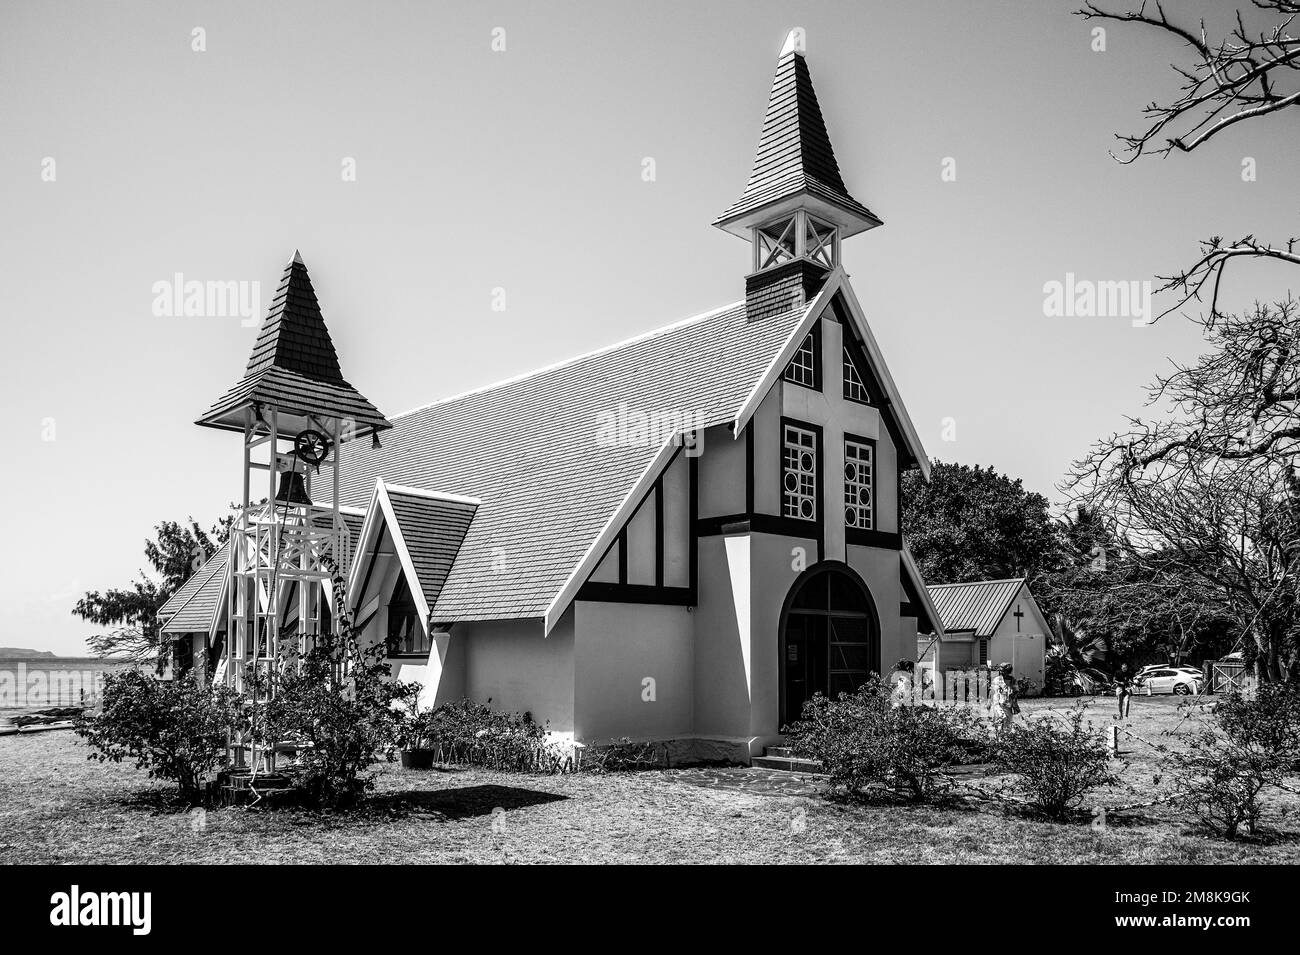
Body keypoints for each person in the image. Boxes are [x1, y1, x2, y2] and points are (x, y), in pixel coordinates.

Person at [988, 663, 1018, 733]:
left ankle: (1005, 738)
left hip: (1008, 704)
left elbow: (1016, 692)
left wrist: (1012, 694)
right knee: (1001, 718)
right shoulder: (996, 679)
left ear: (1008, 671)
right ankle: (998, 737)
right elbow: (991, 690)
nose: (1001, 672)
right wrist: (989, 701)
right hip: (997, 704)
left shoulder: (1013, 680)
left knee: (1008, 722)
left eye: (1003, 671)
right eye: (1000, 670)